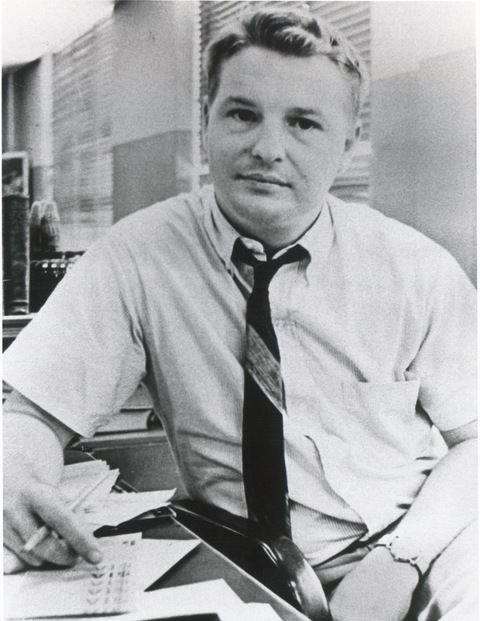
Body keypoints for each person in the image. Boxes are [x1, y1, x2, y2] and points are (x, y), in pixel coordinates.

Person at [3, 8, 477, 621]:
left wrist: (399, 560)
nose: (267, 149)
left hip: (417, 543)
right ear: (207, 122)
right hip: (241, 556)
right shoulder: (137, 256)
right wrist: (18, 481)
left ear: (346, 143)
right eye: (242, 114)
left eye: (303, 123)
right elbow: (32, 413)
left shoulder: (415, 268)